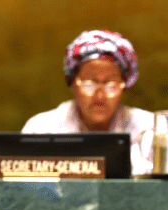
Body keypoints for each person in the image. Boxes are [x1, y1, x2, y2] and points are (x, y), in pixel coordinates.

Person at [22, 30, 154, 175]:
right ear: (72, 83)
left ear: (124, 85)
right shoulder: (41, 129)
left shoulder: (149, 129)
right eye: (89, 83)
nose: (100, 96)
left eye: (111, 84)